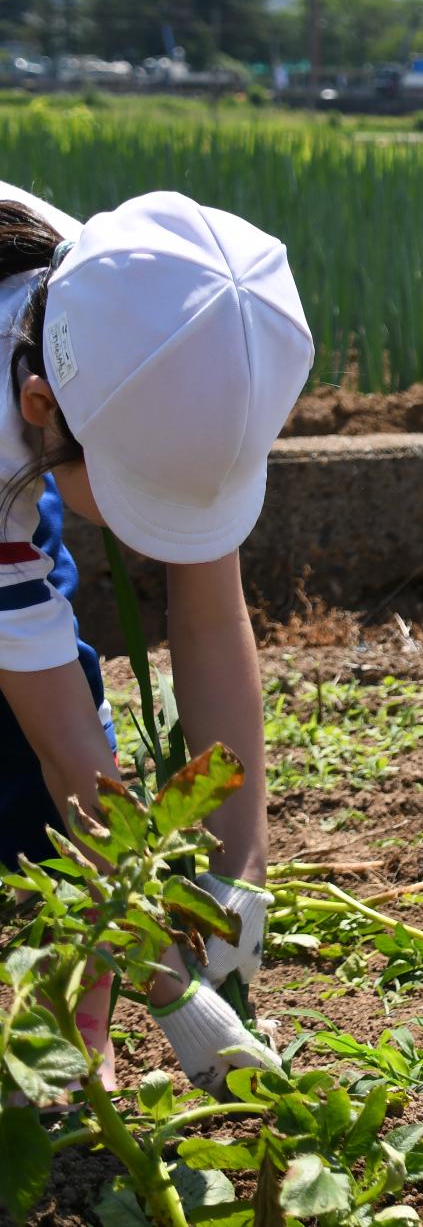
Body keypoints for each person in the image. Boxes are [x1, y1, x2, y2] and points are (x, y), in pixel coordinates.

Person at [0, 183, 313, 1093]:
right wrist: (177, 994)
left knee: (45, 799)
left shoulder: (137, 309)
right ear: (40, 408)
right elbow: (68, 752)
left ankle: (66, 1017)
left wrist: (239, 866)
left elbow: (212, 613)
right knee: (32, 765)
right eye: (144, 491)